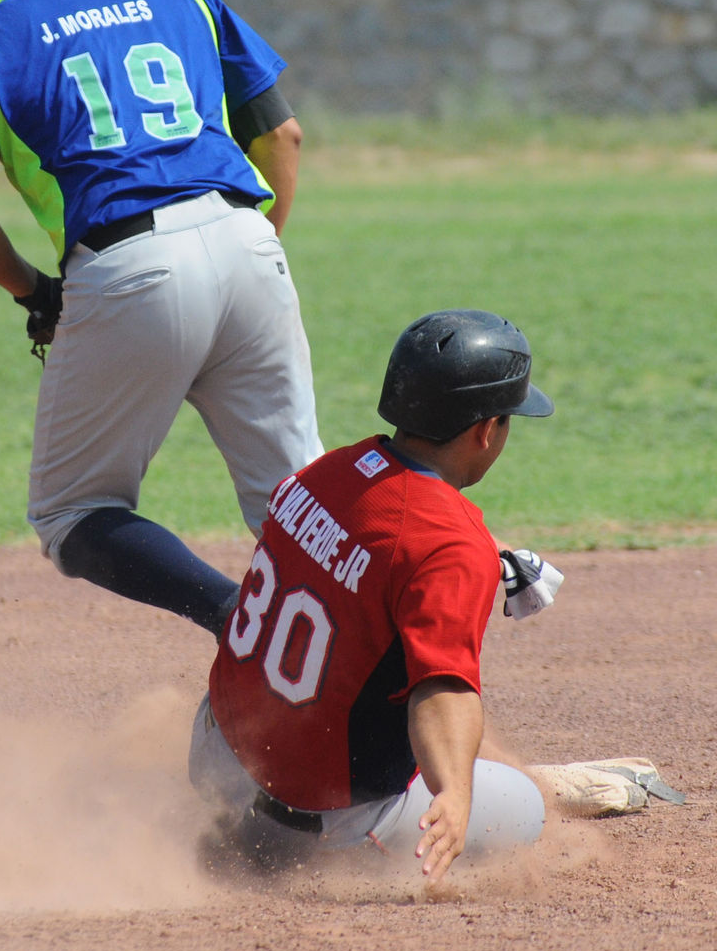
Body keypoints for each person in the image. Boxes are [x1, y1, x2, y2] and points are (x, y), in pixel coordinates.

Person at [0, 0, 321, 636]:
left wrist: (37, 293)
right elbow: (285, 136)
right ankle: (377, 698)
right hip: (247, 244)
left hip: (129, 267)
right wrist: (249, 248)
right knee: (300, 515)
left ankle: (243, 624)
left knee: (71, 512)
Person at [189, 309, 556, 883]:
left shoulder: (325, 472)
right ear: (486, 430)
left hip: (217, 760)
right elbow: (441, 691)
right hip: (312, 823)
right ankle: (336, 843)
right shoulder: (452, 547)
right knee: (526, 808)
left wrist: (477, 548)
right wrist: (454, 797)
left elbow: (378, 537)